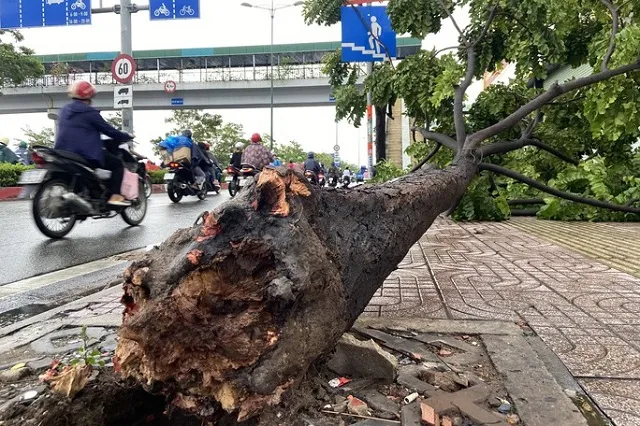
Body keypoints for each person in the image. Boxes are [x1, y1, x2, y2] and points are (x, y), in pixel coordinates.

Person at [55, 80, 133, 206]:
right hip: (85, 153)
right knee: (117, 164)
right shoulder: (89, 112)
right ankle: (115, 196)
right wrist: (126, 135)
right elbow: (109, 131)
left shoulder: (64, 110)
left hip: (63, 151)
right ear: (89, 96)